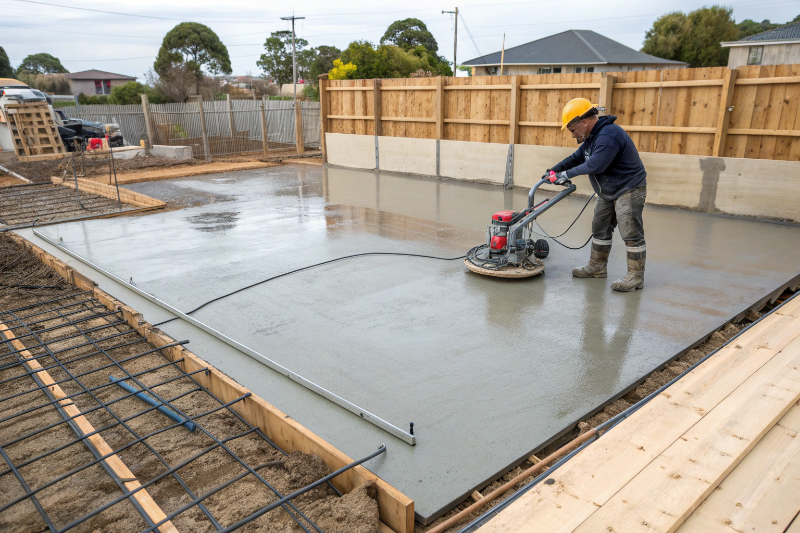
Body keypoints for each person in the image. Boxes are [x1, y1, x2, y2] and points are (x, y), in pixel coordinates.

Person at [547, 98, 647, 292]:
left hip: (629, 188)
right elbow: (576, 158)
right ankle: (597, 267)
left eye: (573, 130)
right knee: (599, 228)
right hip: (608, 191)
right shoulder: (592, 137)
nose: (573, 134)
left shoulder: (608, 135)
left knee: (631, 232)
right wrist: (554, 169)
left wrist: (565, 175)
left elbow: (596, 165)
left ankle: (635, 276)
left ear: (584, 121)